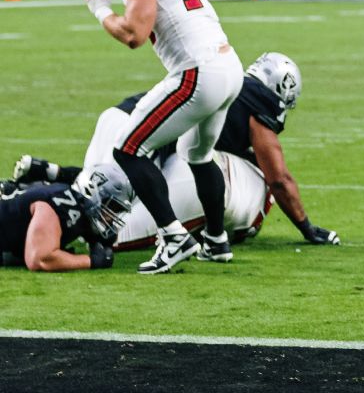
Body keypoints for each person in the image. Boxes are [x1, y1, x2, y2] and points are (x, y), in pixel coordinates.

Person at [12, 53, 340, 250]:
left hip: (120, 118)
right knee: (99, 228)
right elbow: (278, 178)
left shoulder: (227, 82)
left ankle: (29, 191)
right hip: (142, 139)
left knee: (83, 195)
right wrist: (306, 227)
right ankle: (32, 236)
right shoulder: (258, 102)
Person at [83, 0, 244, 274]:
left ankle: (174, 237)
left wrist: (99, 8)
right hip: (228, 65)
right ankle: (217, 242)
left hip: (197, 71)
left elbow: (134, 35)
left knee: (127, 148)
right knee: (198, 155)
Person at [0, 164, 132, 272]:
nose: (112, 215)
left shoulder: (76, 205)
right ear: (92, 191)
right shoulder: (61, 204)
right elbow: (39, 259)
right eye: (112, 207)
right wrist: (91, 261)